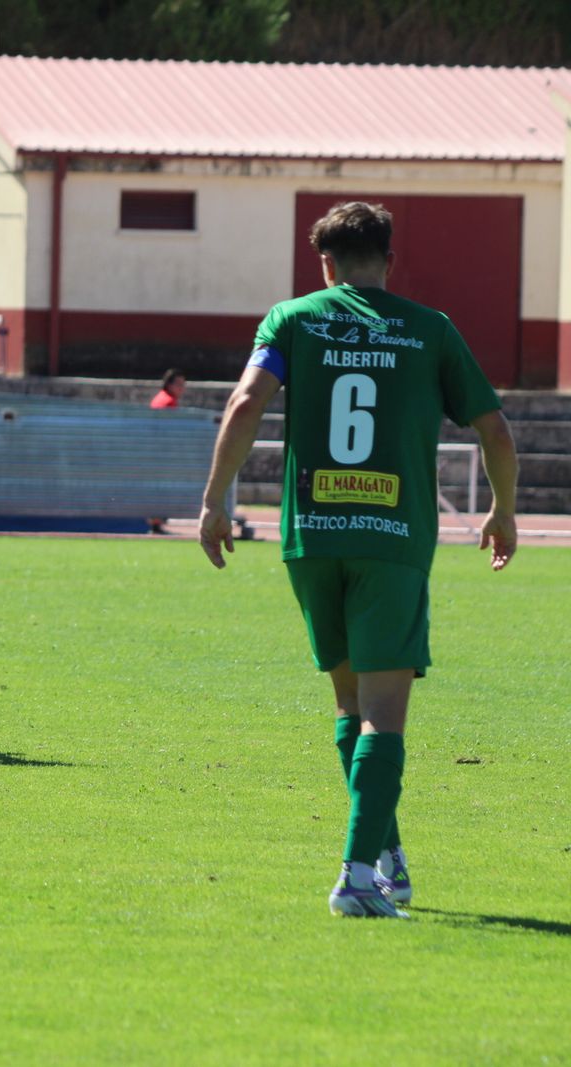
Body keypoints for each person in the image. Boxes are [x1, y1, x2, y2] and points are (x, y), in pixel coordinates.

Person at [198, 201, 518, 919]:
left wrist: (215, 499)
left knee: (351, 705)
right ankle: (358, 876)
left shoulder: (291, 318)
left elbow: (247, 400)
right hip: (392, 540)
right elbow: (494, 428)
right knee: (385, 714)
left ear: (326, 264)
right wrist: (502, 509)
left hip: (312, 535)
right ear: (390, 260)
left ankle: (388, 858)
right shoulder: (430, 329)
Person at [147, 368, 188, 533]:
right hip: (160, 453)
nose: (182, 388)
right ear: (169, 384)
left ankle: (157, 521)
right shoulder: (167, 402)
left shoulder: (163, 398)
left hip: (157, 451)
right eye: (178, 384)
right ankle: (156, 522)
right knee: (160, 487)